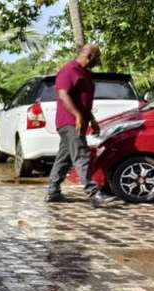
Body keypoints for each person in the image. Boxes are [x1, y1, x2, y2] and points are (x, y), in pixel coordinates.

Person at [46, 43, 116, 207]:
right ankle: (94, 194)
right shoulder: (69, 70)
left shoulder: (85, 73)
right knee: (81, 155)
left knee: (64, 158)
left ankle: (53, 192)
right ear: (89, 56)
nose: (98, 61)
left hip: (79, 122)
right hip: (69, 122)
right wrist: (77, 115)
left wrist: (91, 119)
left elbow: (83, 102)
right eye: (97, 58)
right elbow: (63, 95)